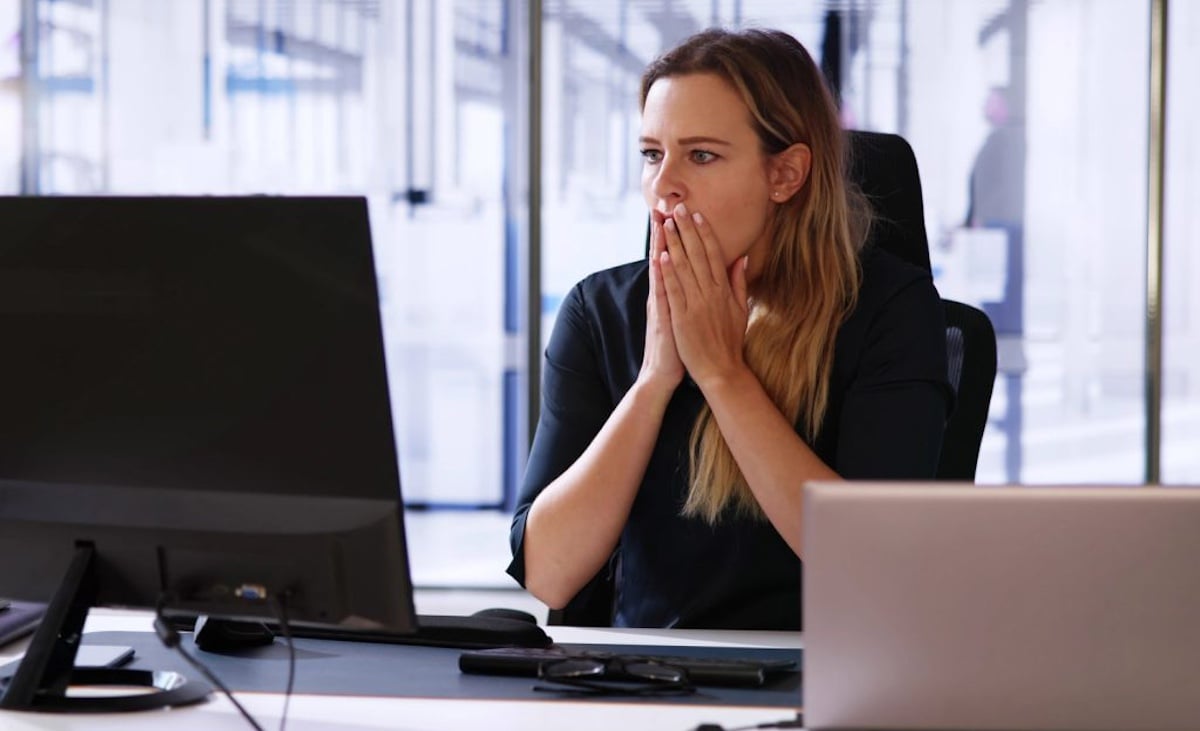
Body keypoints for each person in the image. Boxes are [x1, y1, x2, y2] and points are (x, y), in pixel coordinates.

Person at [507, 28, 952, 630]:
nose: (663, 185)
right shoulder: (600, 310)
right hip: (643, 679)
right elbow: (550, 574)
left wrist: (723, 374)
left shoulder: (886, 309)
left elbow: (868, 562)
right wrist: (654, 382)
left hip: (815, 676)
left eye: (702, 155)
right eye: (650, 154)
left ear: (786, 175)